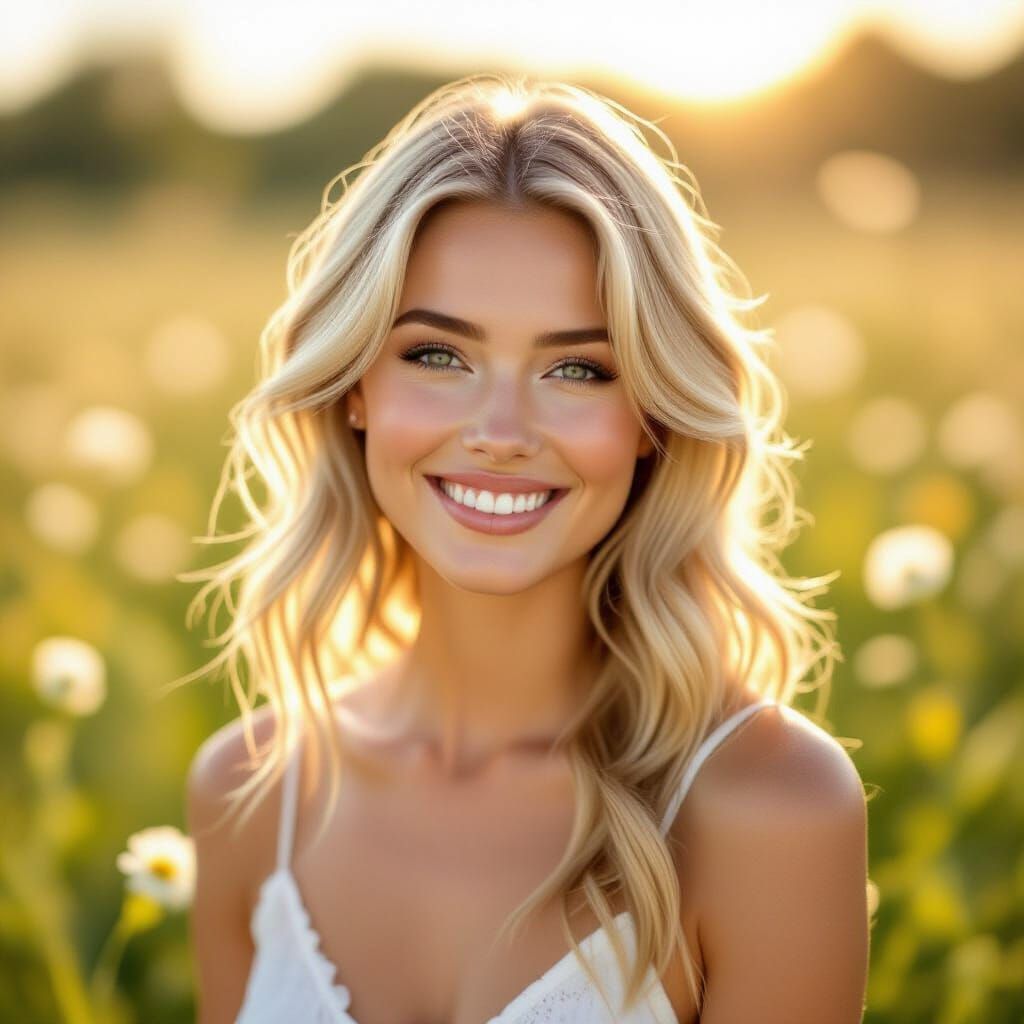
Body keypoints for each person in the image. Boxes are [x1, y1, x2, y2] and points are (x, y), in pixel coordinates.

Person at [183, 73, 869, 1023]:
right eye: (437, 355)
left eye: (578, 368)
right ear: (353, 387)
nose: (500, 430)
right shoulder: (248, 792)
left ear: (652, 419)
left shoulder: (769, 808)